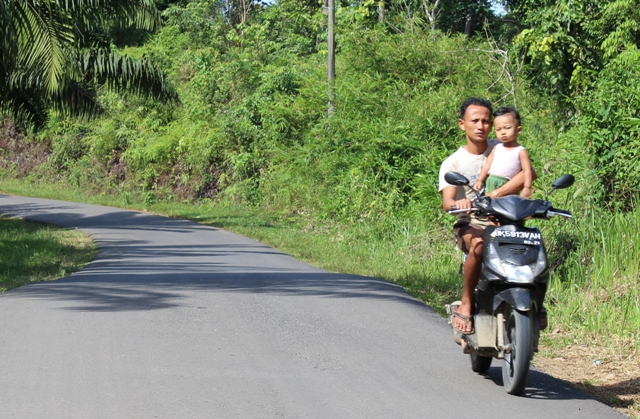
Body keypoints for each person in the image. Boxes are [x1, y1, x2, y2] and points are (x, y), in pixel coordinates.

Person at [438, 98, 533, 334]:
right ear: (462, 125)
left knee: (533, 244)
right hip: (473, 222)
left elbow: (528, 174)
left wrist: (496, 193)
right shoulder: (453, 162)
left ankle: (535, 305)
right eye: (475, 121)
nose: (481, 126)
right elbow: (447, 203)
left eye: (486, 121)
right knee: (479, 245)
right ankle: (467, 302)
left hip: (507, 219)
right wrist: (460, 202)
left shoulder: (503, 147)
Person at [473, 107, 533, 198]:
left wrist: (527, 187)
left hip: (507, 184)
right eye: (498, 129)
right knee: (490, 208)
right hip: (490, 182)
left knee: (506, 208)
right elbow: (487, 166)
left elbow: (527, 171)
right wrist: (480, 180)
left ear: (518, 130)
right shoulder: (497, 147)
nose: (503, 132)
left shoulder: (520, 151)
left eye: (507, 128)